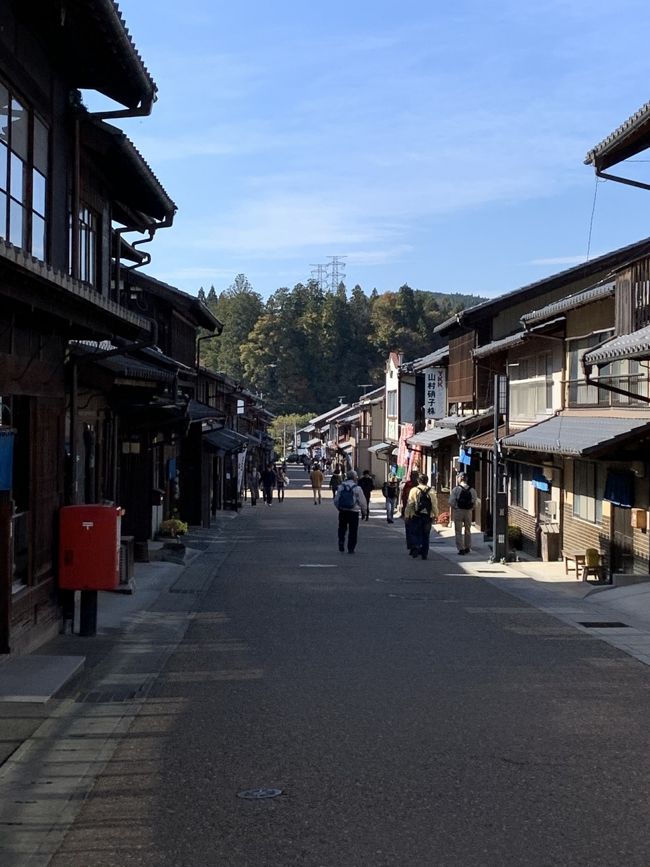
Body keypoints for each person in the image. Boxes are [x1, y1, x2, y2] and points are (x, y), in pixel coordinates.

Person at [404, 473, 438, 560]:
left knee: (415, 533)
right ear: (427, 481)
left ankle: (416, 547)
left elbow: (410, 503)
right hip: (427, 516)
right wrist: (436, 515)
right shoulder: (431, 491)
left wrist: (407, 515)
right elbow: (434, 504)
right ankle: (424, 553)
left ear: (418, 481)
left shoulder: (414, 490)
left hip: (416, 515)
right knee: (426, 535)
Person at [333, 470, 367, 554]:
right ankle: (351, 547)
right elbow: (362, 502)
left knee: (342, 528)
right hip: (354, 512)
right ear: (355, 478)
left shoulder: (341, 487)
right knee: (353, 530)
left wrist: (339, 508)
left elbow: (336, 500)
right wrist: (364, 512)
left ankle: (341, 541)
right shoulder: (357, 488)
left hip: (343, 511)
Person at [449, 472, 477, 554]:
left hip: (458, 511)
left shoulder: (456, 489)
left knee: (458, 531)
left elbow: (451, 502)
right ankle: (467, 547)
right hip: (468, 511)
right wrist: (471, 508)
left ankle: (461, 549)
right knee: (468, 530)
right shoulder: (472, 490)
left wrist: (455, 507)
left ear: (460, 479)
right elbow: (475, 502)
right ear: (466, 479)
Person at [400, 470, 420, 555]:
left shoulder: (408, 485)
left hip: (409, 510)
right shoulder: (421, 486)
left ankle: (412, 546)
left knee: (409, 530)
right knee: (419, 530)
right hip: (420, 512)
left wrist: (403, 509)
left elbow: (403, 497)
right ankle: (418, 545)